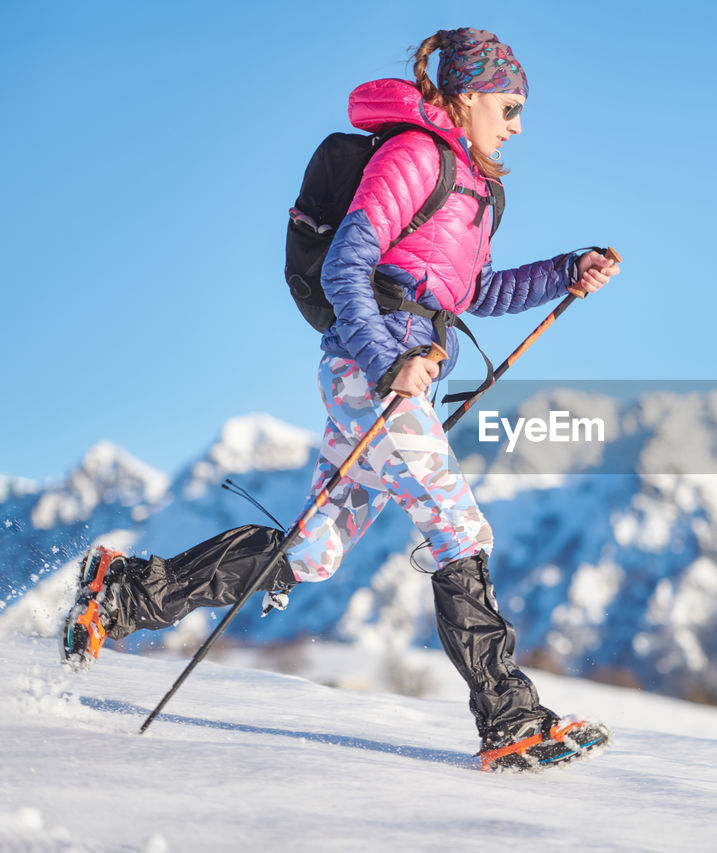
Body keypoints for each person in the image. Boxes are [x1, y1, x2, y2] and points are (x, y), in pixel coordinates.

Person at [60, 27, 620, 773]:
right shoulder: (414, 155)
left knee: (314, 553)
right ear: (466, 94)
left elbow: (473, 291)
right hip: (373, 375)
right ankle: (510, 718)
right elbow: (347, 269)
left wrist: (565, 272)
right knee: (458, 526)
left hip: (392, 375)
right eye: (510, 105)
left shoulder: (479, 188)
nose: (518, 123)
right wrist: (390, 364)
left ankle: (126, 592)